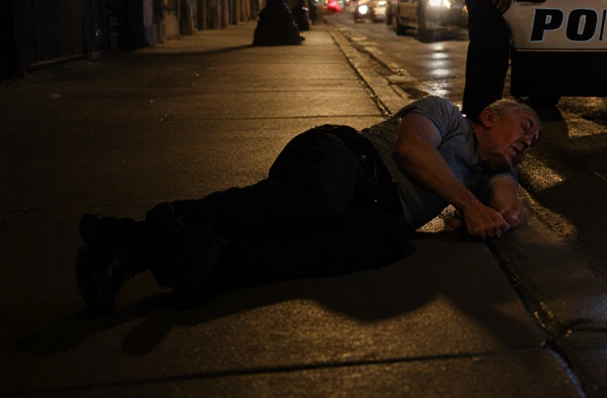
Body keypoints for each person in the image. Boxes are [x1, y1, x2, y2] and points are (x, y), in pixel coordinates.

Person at [75, 97, 541, 315]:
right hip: (346, 157)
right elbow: (410, 151)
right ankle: (151, 229)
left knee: (385, 239)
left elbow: (508, 202)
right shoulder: (447, 116)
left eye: (534, 142)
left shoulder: (494, 173)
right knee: (319, 199)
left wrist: (501, 210)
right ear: (489, 117)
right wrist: (470, 207)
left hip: (376, 212)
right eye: (524, 128)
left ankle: (209, 258)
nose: (527, 142)